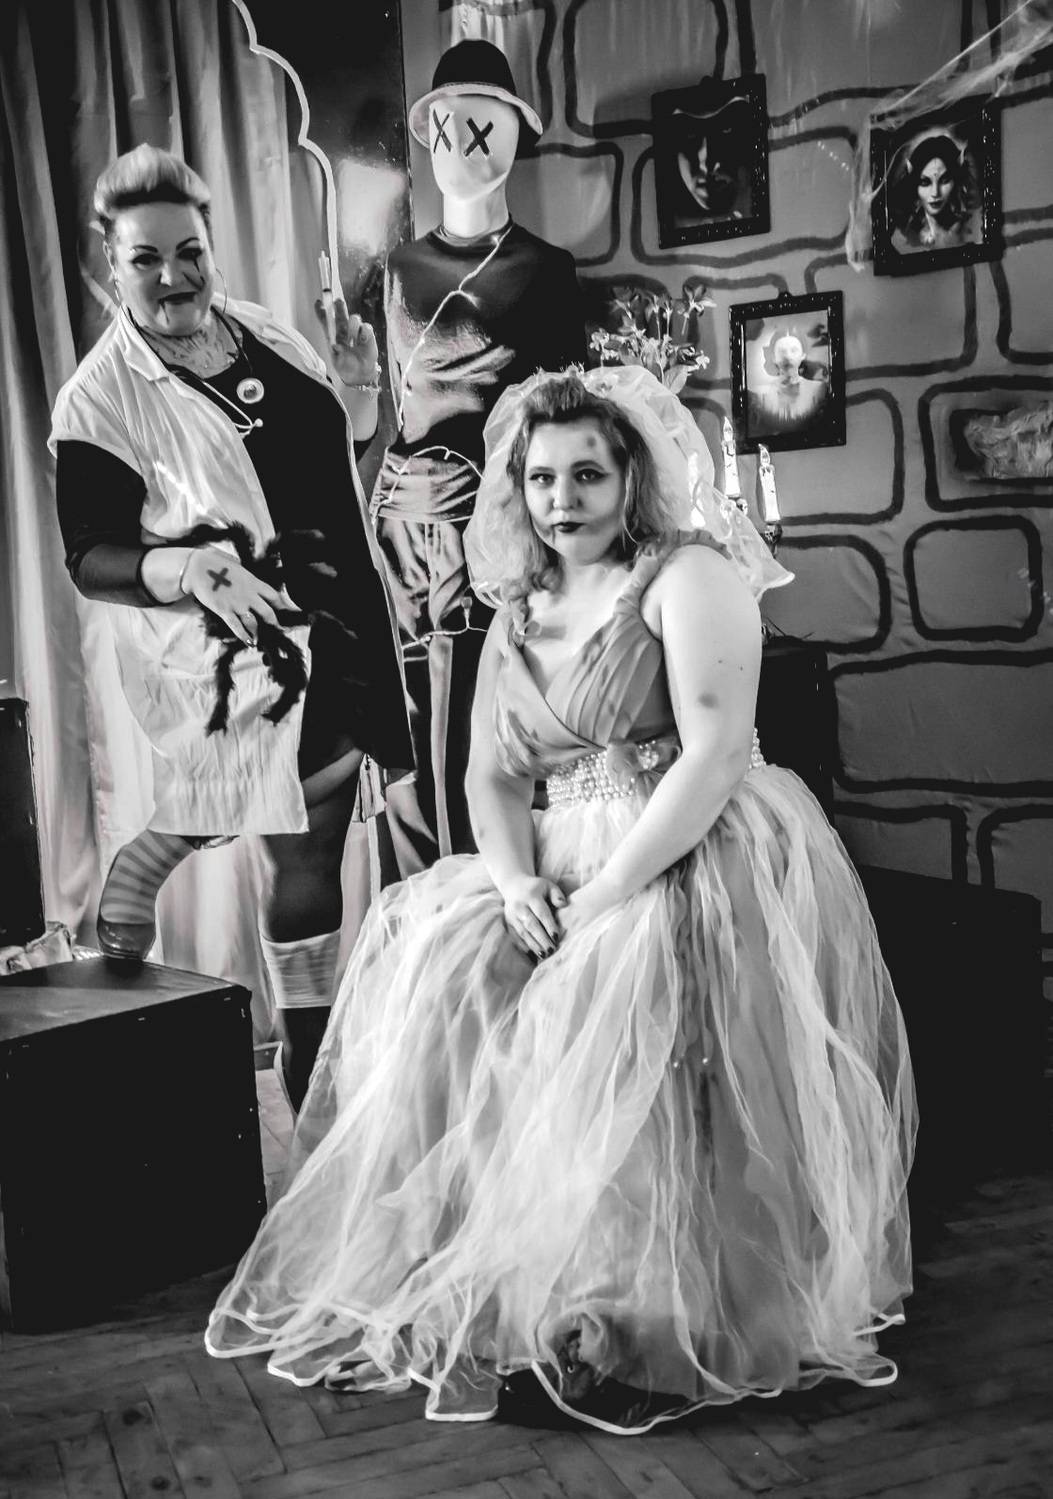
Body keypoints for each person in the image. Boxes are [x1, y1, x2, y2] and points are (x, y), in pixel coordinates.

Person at [206, 365, 916, 1433]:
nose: (561, 498)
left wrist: (611, 891)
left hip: (682, 842)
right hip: (551, 857)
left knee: (618, 997)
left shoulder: (687, 576)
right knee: (448, 974)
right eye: (541, 477)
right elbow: (490, 775)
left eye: (587, 473)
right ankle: (497, 1285)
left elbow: (717, 752)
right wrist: (513, 881)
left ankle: (637, 1315)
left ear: (631, 475)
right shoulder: (519, 605)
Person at [49, 145, 412, 1109]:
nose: (173, 276)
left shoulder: (270, 337)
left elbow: (337, 474)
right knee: (298, 809)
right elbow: (89, 554)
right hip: (232, 639)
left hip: (339, 614)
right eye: (146, 258)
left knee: (316, 836)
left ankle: (311, 1046)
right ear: (111, 263)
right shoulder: (99, 396)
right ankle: (304, 1050)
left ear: (212, 250)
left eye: (190, 253)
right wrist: (186, 568)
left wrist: (360, 393)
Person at [372, 39, 586, 881]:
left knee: (484, 723)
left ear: (516, 133)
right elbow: (383, 411)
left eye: (485, 121)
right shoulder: (395, 271)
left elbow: (563, 426)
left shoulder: (548, 271)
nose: (464, 138)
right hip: (401, 527)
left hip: (493, 527)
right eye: (449, 121)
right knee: (406, 735)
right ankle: (421, 922)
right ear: (428, 132)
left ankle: (491, 903)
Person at [890, 133, 979, 254]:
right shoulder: (904, 236)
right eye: (925, 182)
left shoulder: (970, 229)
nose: (935, 193)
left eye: (944, 180)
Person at [748, 327, 829, 436]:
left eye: (794, 350)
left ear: (803, 355)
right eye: (782, 351)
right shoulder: (760, 395)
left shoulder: (818, 389)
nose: (788, 356)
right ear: (773, 357)